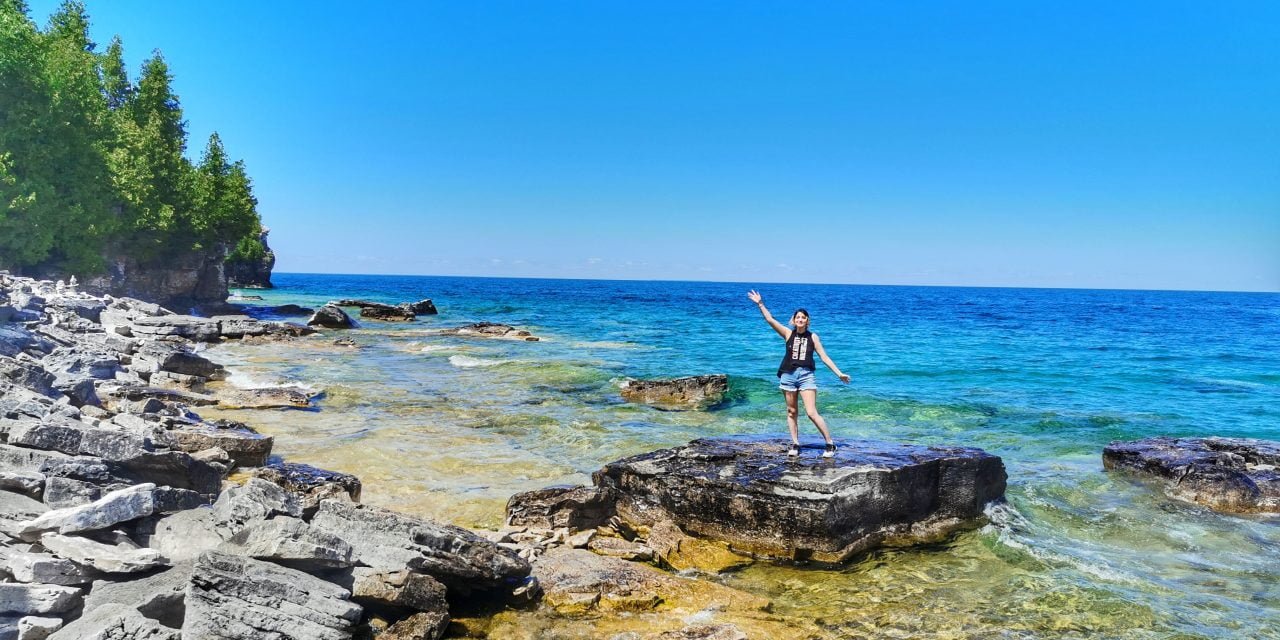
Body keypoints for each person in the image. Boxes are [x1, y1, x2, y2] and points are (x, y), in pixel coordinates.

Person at [747, 290, 850, 457]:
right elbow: (770, 320)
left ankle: (830, 444)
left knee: (811, 412)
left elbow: (824, 357)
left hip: (806, 376)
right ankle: (795, 444)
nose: (800, 319)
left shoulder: (813, 337)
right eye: (798, 317)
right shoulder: (788, 334)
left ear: (807, 320)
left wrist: (839, 374)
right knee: (791, 411)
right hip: (788, 376)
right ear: (794, 320)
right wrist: (760, 304)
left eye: (803, 317)